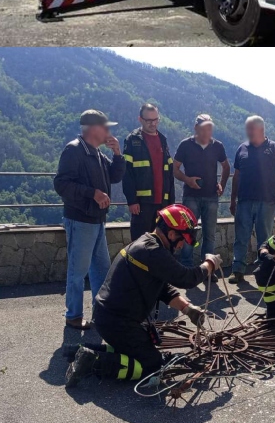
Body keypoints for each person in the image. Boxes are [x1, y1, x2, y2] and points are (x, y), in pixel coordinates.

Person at [64, 205, 220, 387]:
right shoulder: (153, 252)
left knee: (132, 351)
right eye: (181, 240)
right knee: (151, 366)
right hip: (118, 322)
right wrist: (209, 264)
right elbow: (187, 278)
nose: (181, 246)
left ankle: (80, 351)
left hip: (110, 318)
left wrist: (187, 308)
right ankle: (94, 364)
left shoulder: (148, 244)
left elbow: (162, 288)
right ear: (171, 234)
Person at [52, 110, 125, 331]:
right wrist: (92, 193)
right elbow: (61, 184)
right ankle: (73, 315)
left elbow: (115, 176)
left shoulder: (95, 152)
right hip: (81, 220)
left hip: (96, 220)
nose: (109, 132)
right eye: (106, 127)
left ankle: (101, 312)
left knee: (101, 270)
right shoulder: (74, 150)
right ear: (94, 128)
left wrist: (118, 154)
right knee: (78, 270)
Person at [229, 116, 275, 284]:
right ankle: (237, 270)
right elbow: (236, 176)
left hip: (267, 202)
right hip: (244, 201)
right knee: (241, 237)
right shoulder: (242, 149)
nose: (248, 132)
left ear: (261, 130)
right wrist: (232, 200)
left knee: (265, 239)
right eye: (247, 129)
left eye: (251, 129)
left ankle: (263, 270)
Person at [173, 114, 229, 265]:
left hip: (211, 196)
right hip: (190, 196)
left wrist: (222, 184)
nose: (206, 132)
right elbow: (175, 169)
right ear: (196, 128)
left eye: (209, 128)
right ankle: (186, 266)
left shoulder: (218, 146)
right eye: (203, 128)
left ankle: (207, 268)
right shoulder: (185, 145)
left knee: (209, 234)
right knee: (187, 232)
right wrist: (187, 180)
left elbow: (226, 167)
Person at [121, 103, 176, 241]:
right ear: (140, 119)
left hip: (162, 205)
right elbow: (126, 173)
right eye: (149, 120)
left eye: (156, 119)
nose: (153, 124)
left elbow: (169, 174)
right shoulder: (132, 140)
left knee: (160, 244)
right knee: (140, 244)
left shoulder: (163, 140)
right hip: (142, 205)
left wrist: (170, 203)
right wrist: (132, 200)